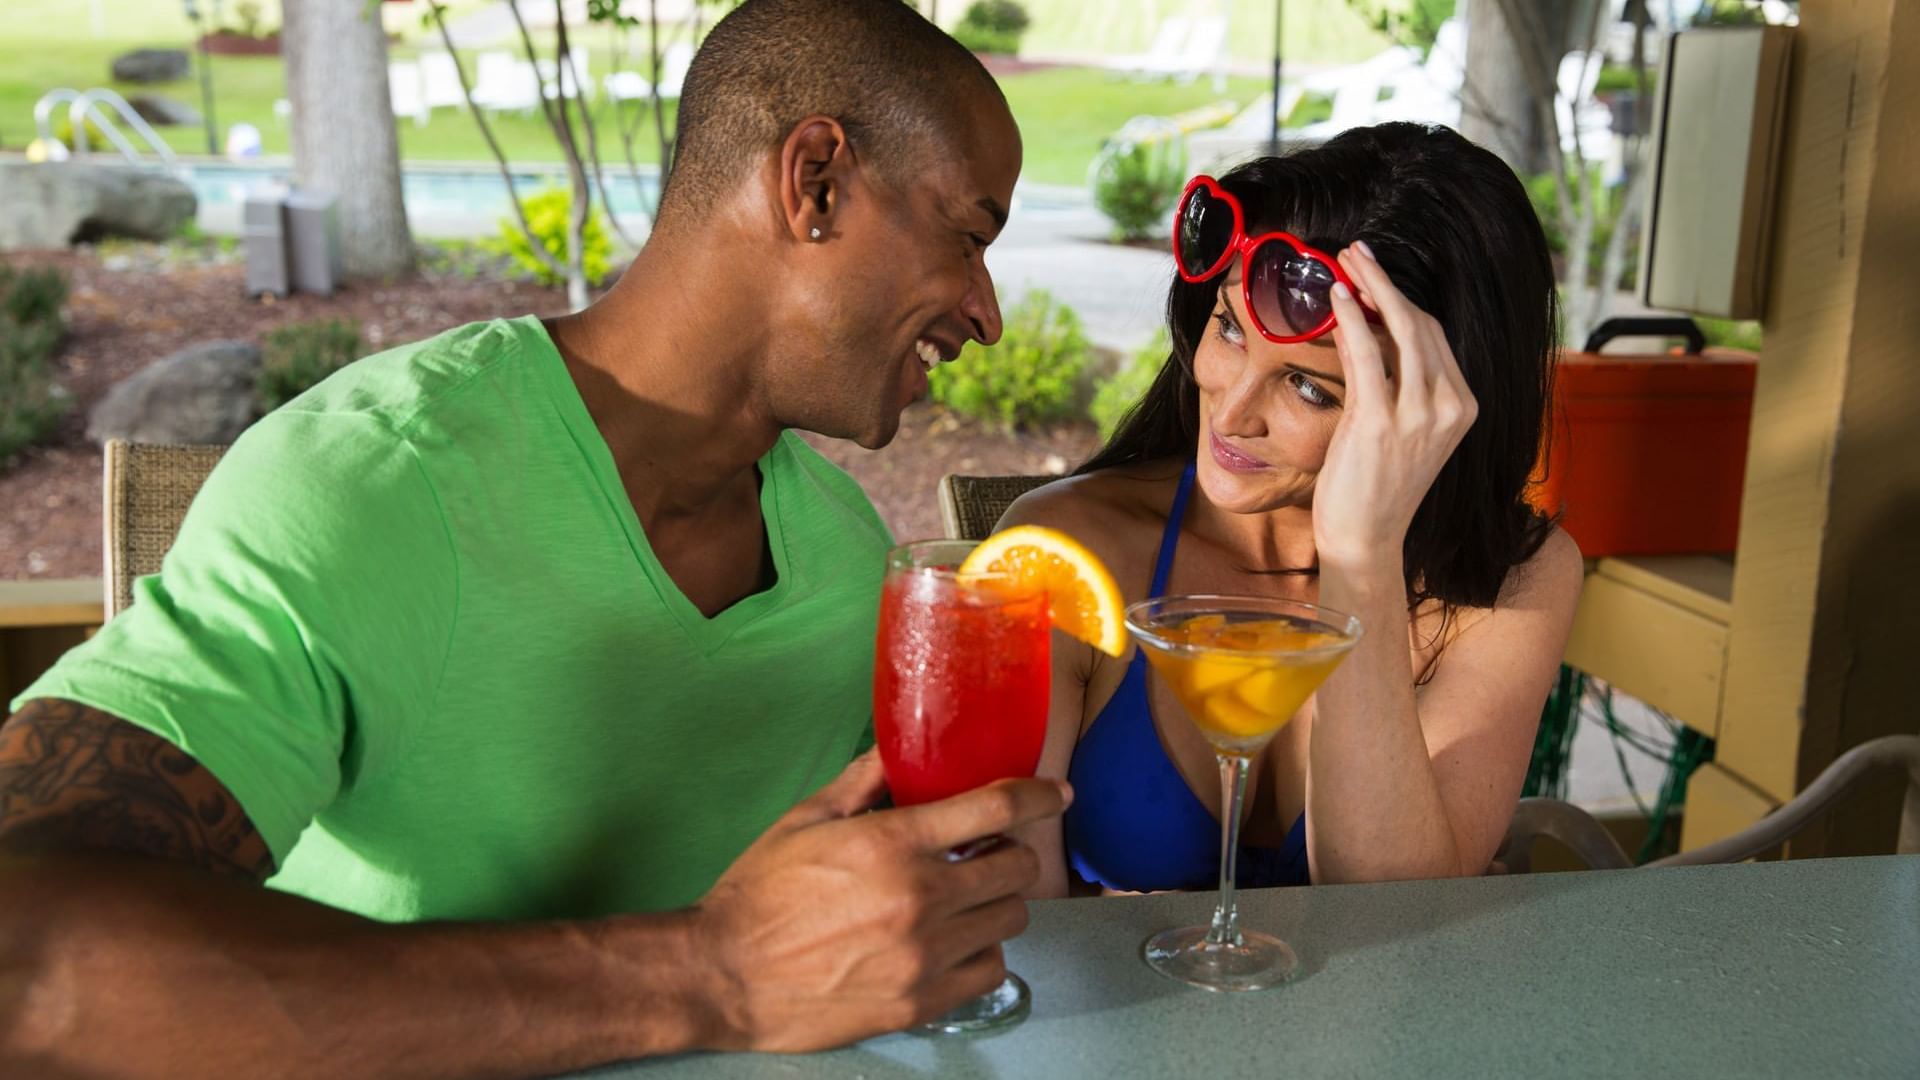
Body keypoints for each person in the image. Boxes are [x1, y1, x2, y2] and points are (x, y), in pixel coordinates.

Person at [0, 2, 1069, 1074]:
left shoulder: (843, 552)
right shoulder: (374, 486)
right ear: (816, 182)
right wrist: (712, 976)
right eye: (968, 236)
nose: (987, 315)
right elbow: (29, 961)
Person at [1003, 123, 1583, 898]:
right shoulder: (1063, 549)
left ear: (1433, 411)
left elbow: (1394, 908)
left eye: (1310, 388)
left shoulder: (1513, 580)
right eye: (1229, 329)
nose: (1232, 413)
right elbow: (1009, 921)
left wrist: (1360, 555)